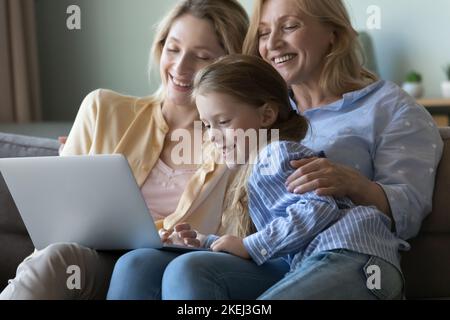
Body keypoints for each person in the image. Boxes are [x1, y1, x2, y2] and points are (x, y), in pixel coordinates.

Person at [160, 0, 443, 300]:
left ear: (332, 32)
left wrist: (355, 184)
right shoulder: (250, 111)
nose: (272, 43)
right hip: (288, 258)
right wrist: (204, 241)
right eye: (263, 32)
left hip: (354, 258)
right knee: (180, 268)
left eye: (290, 26)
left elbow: (410, 211)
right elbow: (261, 218)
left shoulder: (392, 108)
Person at [0, 0, 249, 300]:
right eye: (173, 49)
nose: (181, 67)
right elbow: (57, 221)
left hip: (163, 271)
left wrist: (194, 242)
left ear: (230, 67)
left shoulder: (236, 142)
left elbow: (236, 242)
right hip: (90, 263)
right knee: (55, 258)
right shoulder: (103, 109)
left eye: (202, 56)